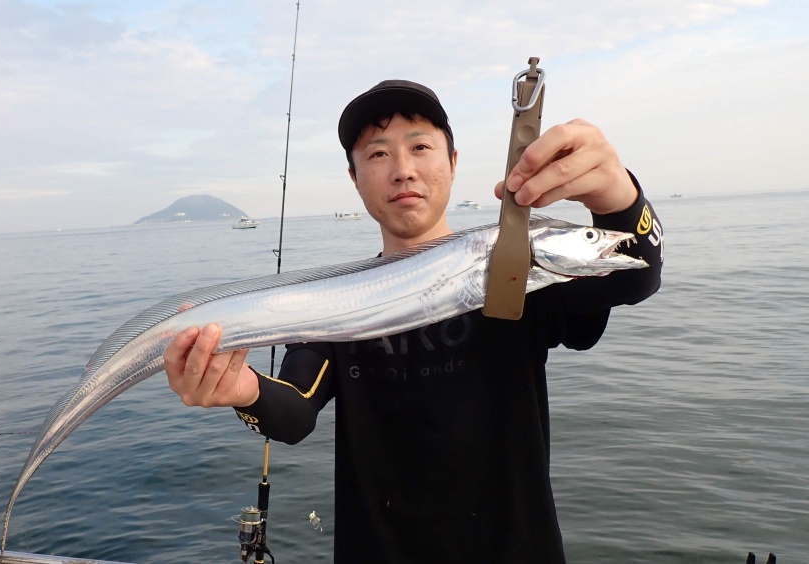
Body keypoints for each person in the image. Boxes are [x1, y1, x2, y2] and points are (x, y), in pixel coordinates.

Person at [164, 79, 663, 563]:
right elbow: (293, 413)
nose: (403, 170)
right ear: (354, 178)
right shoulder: (340, 304)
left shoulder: (516, 273)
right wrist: (243, 390)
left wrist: (619, 199)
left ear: (453, 162)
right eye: (378, 154)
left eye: (420, 146)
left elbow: (635, 277)